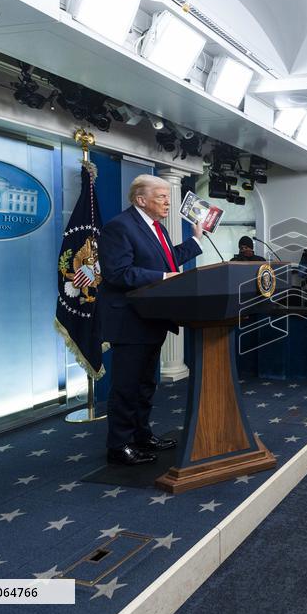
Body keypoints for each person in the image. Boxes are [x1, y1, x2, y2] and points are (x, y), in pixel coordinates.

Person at [99, 174, 203, 465]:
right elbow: (117, 273)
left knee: (146, 385)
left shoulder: (157, 228)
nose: (168, 202)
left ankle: (141, 435)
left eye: (168, 197)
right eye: (161, 197)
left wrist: (195, 239)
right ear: (140, 199)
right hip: (129, 322)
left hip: (151, 318)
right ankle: (119, 446)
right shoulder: (119, 227)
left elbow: (168, 261)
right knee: (127, 386)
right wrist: (164, 277)